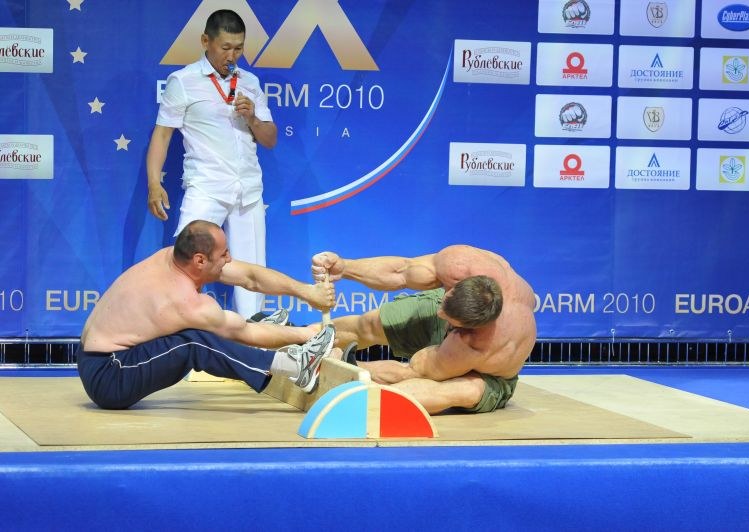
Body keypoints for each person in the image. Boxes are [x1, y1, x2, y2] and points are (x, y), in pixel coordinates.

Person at [78, 220, 337, 410]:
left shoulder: (175, 257)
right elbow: (245, 333)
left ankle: (272, 337)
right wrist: (306, 334)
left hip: (102, 355)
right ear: (200, 260)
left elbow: (250, 277)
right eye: (224, 254)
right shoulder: (184, 302)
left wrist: (307, 292)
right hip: (109, 375)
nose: (229, 258)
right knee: (195, 342)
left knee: (218, 328)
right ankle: (296, 366)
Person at [146, 9, 276, 319]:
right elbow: (162, 136)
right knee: (185, 265)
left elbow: (270, 138)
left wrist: (252, 117)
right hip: (206, 187)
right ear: (206, 41)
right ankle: (178, 334)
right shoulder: (183, 81)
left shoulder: (250, 82)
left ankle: (251, 339)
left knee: (252, 274)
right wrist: (153, 183)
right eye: (225, 47)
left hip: (248, 191)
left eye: (239, 48)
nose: (232, 56)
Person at [310, 245, 537, 414]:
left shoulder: (477, 344)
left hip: (485, 373)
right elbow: (402, 271)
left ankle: (355, 391)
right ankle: (303, 342)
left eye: (448, 318)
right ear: (456, 285)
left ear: (468, 328)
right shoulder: (463, 264)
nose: (439, 314)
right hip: (462, 312)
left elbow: (413, 371)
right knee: (369, 325)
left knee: (466, 391)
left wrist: (348, 367)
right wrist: (345, 268)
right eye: (443, 302)